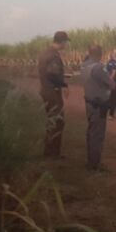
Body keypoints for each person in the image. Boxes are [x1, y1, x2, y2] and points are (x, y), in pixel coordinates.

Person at [82, 44, 116, 171]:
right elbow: (112, 85)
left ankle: (91, 161)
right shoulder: (98, 68)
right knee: (97, 134)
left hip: (89, 103)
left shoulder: (84, 66)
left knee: (91, 132)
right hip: (98, 105)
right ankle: (95, 164)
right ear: (100, 54)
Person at [37, 31, 70, 159]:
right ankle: (52, 153)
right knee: (57, 121)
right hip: (52, 92)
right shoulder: (53, 55)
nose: (66, 44)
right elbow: (52, 73)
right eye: (66, 42)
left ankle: (49, 151)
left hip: (46, 90)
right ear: (62, 42)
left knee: (52, 121)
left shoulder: (45, 52)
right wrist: (64, 85)